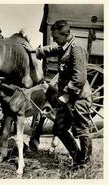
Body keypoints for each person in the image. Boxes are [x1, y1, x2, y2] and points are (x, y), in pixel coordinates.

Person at [34, 20, 93, 169]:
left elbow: (80, 78)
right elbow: (52, 49)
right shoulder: (64, 46)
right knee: (59, 129)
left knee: (82, 130)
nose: (53, 39)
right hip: (67, 100)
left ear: (66, 34)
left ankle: (84, 163)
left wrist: (66, 94)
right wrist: (37, 51)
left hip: (78, 98)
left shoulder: (76, 49)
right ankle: (77, 157)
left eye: (56, 36)